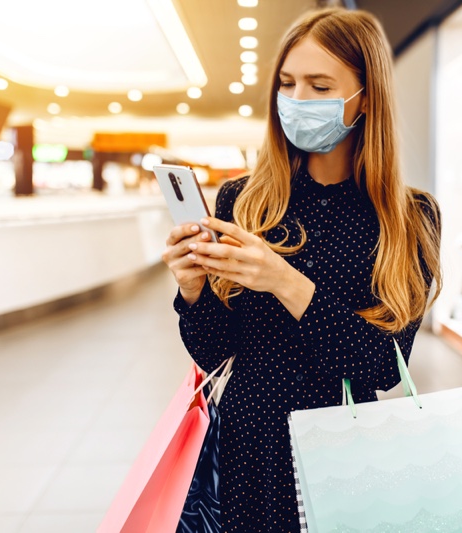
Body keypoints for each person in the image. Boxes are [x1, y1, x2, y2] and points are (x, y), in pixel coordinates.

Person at [161, 8, 442, 531]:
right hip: (247, 447)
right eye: (287, 84)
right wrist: (193, 290)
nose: (297, 101)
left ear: (366, 97)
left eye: (319, 85)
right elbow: (216, 350)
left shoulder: (408, 217)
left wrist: (286, 282)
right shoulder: (244, 200)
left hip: (346, 450)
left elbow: (384, 367)